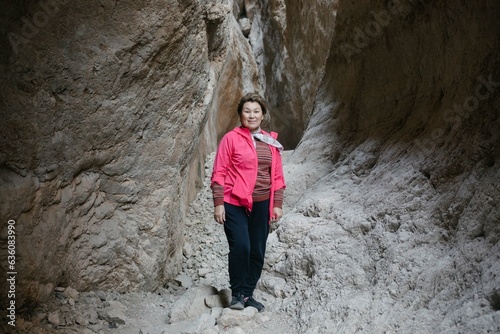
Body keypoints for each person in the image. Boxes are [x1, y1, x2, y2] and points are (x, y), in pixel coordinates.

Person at [211, 92, 286, 312]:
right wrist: (218, 202)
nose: (251, 115)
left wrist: (277, 204)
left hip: (262, 203)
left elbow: (278, 176)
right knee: (241, 246)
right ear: (240, 115)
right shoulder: (231, 139)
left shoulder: (271, 142)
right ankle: (236, 294)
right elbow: (219, 171)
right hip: (234, 202)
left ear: (262, 115)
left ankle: (247, 295)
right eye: (247, 111)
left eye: (256, 111)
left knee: (257, 250)